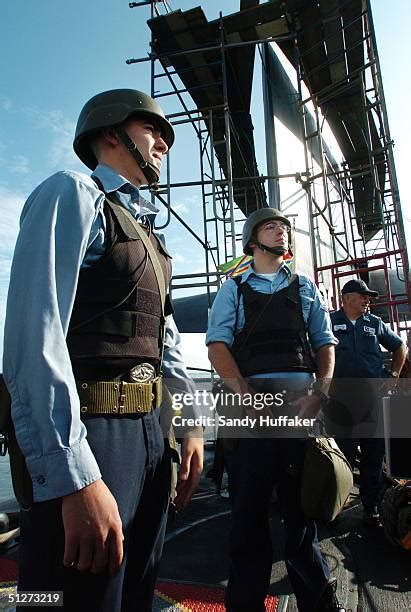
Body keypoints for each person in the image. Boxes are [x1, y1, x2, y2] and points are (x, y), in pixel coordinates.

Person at [2, 88, 203, 611]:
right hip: (91, 436)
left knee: (135, 593)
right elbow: (33, 337)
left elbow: (168, 346)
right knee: (63, 599)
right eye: (152, 128)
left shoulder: (151, 238)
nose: (164, 141)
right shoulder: (70, 193)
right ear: (111, 133)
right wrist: (74, 478)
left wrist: (192, 425)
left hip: (149, 444)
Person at [206, 208, 345, 612]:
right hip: (251, 419)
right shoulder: (232, 289)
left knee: (302, 520)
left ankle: (319, 604)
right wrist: (245, 396)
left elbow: (324, 343)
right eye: (271, 226)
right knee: (247, 521)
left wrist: (320, 392)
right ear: (253, 240)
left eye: (284, 227)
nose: (281, 232)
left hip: (300, 418)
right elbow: (217, 346)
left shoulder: (305, 287)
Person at [330, 278, 407, 528]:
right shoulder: (329, 322)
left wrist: (394, 376)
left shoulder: (375, 323)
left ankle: (371, 507)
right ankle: (336, 505)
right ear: (348, 298)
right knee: (343, 455)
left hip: (373, 400)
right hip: (342, 401)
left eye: (368, 297)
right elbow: (316, 351)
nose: (368, 300)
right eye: (363, 296)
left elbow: (399, 346)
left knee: (374, 454)